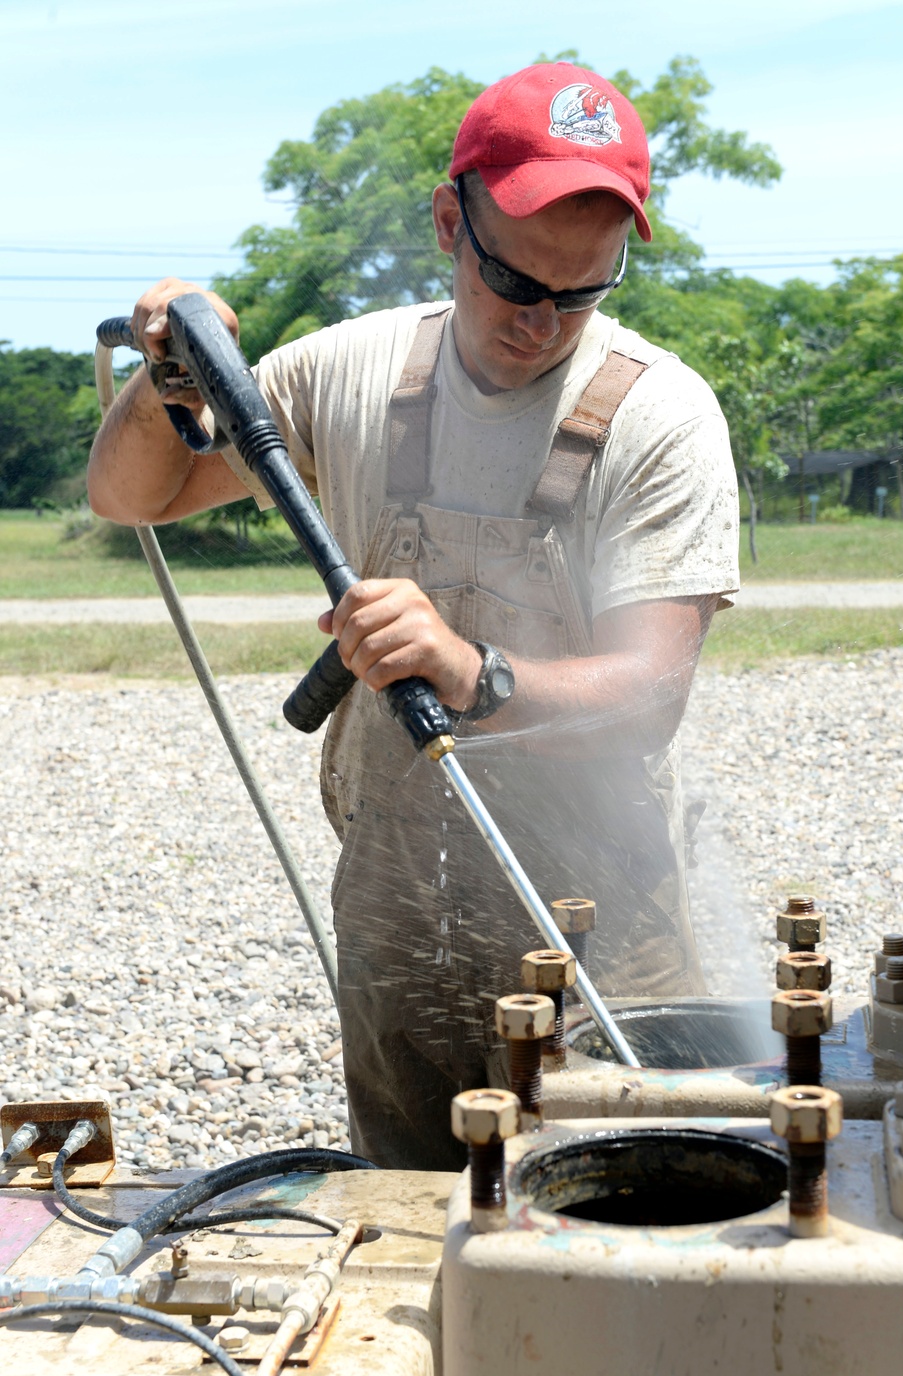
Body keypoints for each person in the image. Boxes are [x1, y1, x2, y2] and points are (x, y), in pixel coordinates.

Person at [88, 61, 740, 1171]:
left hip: (599, 931)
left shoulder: (659, 413)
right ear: (450, 222)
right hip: (394, 906)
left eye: (582, 291)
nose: (541, 323)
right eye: (514, 279)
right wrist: (166, 383)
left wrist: (472, 672)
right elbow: (131, 496)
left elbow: (649, 695)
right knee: (408, 1232)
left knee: (621, 1231)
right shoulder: (348, 373)